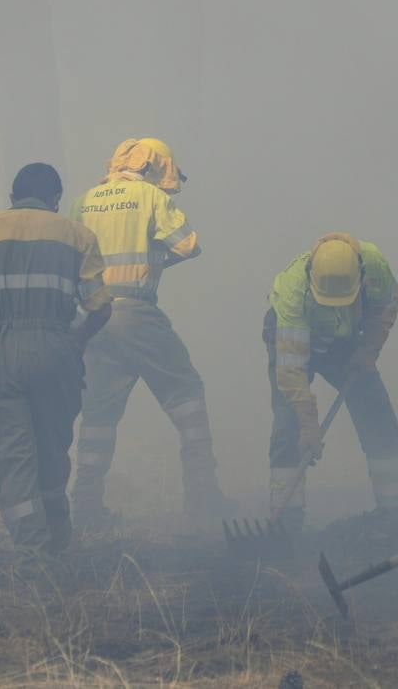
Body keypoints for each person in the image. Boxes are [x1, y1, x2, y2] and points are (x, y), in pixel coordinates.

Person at [69, 138, 231, 525]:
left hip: (94, 319)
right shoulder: (150, 197)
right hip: (137, 314)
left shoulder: (84, 200)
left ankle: (86, 506)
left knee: (97, 416)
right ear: (152, 167)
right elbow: (189, 245)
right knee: (187, 395)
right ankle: (202, 501)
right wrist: (152, 261)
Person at [0, 162, 111, 556]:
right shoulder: (79, 235)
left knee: (12, 456)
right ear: (56, 199)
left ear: (12, 196)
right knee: (52, 449)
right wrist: (74, 341)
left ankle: (32, 554)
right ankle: (59, 541)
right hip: (57, 349)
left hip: (1, 348)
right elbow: (100, 308)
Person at [264, 233, 398, 531]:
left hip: (346, 342)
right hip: (297, 337)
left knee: (375, 410)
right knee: (288, 421)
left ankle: (394, 510)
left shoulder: (374, 265)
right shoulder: (293, 291)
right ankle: (286, 518)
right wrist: (308, 425)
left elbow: (386, 305)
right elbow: (291, 372)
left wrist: (368, 349)